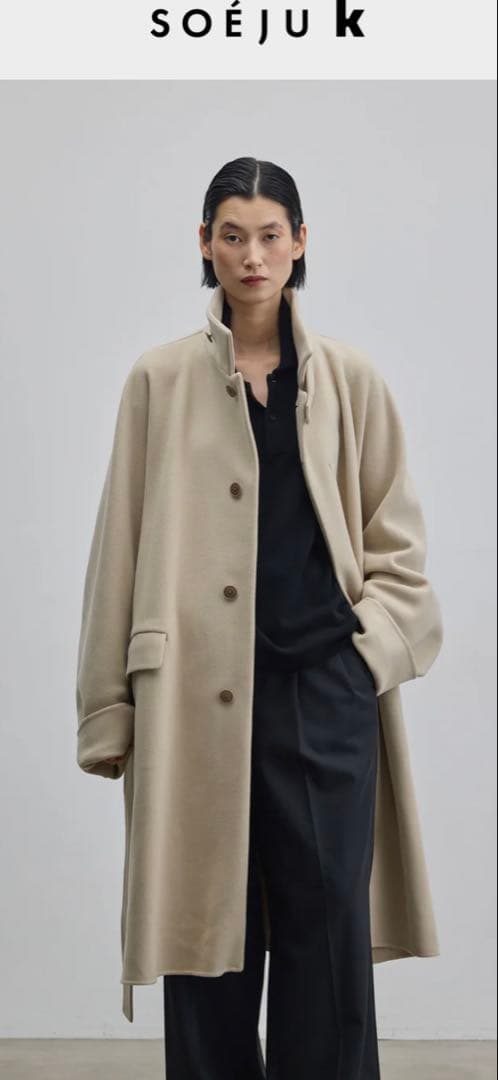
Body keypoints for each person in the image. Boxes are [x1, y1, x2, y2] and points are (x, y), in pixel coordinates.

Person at [77, 156, 443, 1079]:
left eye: (270, 235)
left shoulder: (351, 380)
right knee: (207, 939)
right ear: (205, 244)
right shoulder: (159, 381)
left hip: (324, 697)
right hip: (192, 703)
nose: (252, 256)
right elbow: (119, 549)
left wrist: (366, 656)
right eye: (232, 236)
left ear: (300, 242)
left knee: (327, 941)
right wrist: (108, 708)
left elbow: (398, 545)